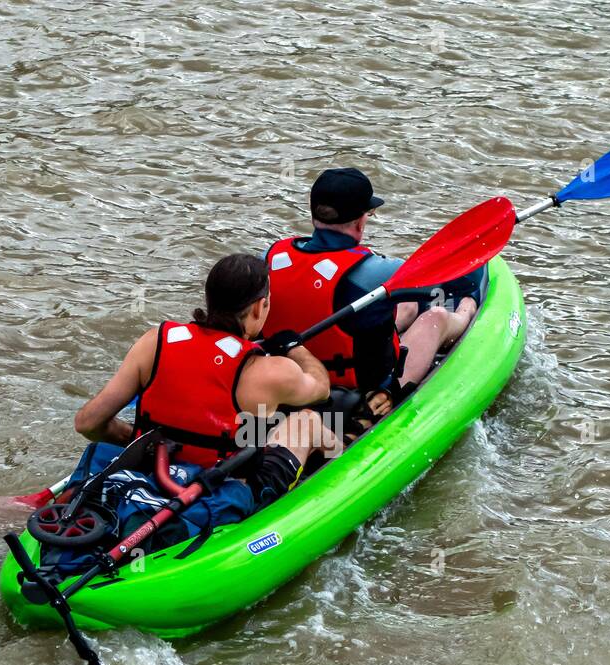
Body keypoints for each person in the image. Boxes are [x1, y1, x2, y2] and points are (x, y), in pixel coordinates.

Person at [74, 253, 339, 510]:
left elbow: (88, 422)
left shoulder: (155, 341)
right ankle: (348, 473)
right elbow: (321, 389)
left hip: (158, 469)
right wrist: (295, 347)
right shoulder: (271, 371)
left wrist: (133, 439)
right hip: (226, 490)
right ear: (259, 307)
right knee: (308, 421)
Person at [261, 167, 482, 417]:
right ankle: (469, 309)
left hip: (291, 378)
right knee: (437, 316)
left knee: (403, 305)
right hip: (363, 392)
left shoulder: (270, 257)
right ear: (360, 220)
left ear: (314, 215)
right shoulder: (377, 272)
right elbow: (453, 277)